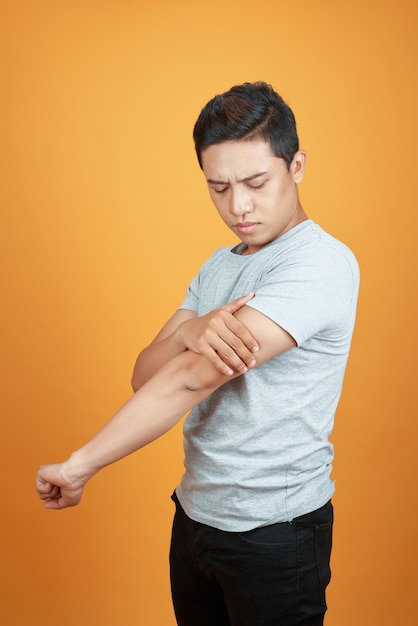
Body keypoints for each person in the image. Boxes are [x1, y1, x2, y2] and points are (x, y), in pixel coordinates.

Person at [36, 82, 360, 625]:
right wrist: (188, 333)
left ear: (296, 166)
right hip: (195, 517)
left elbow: (192, 378)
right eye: (219, 187)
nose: (239, 206)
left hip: (273, 532)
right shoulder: (220, 265)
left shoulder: (319, 265)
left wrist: (80, 466)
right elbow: (145, 373)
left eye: (257, 182)